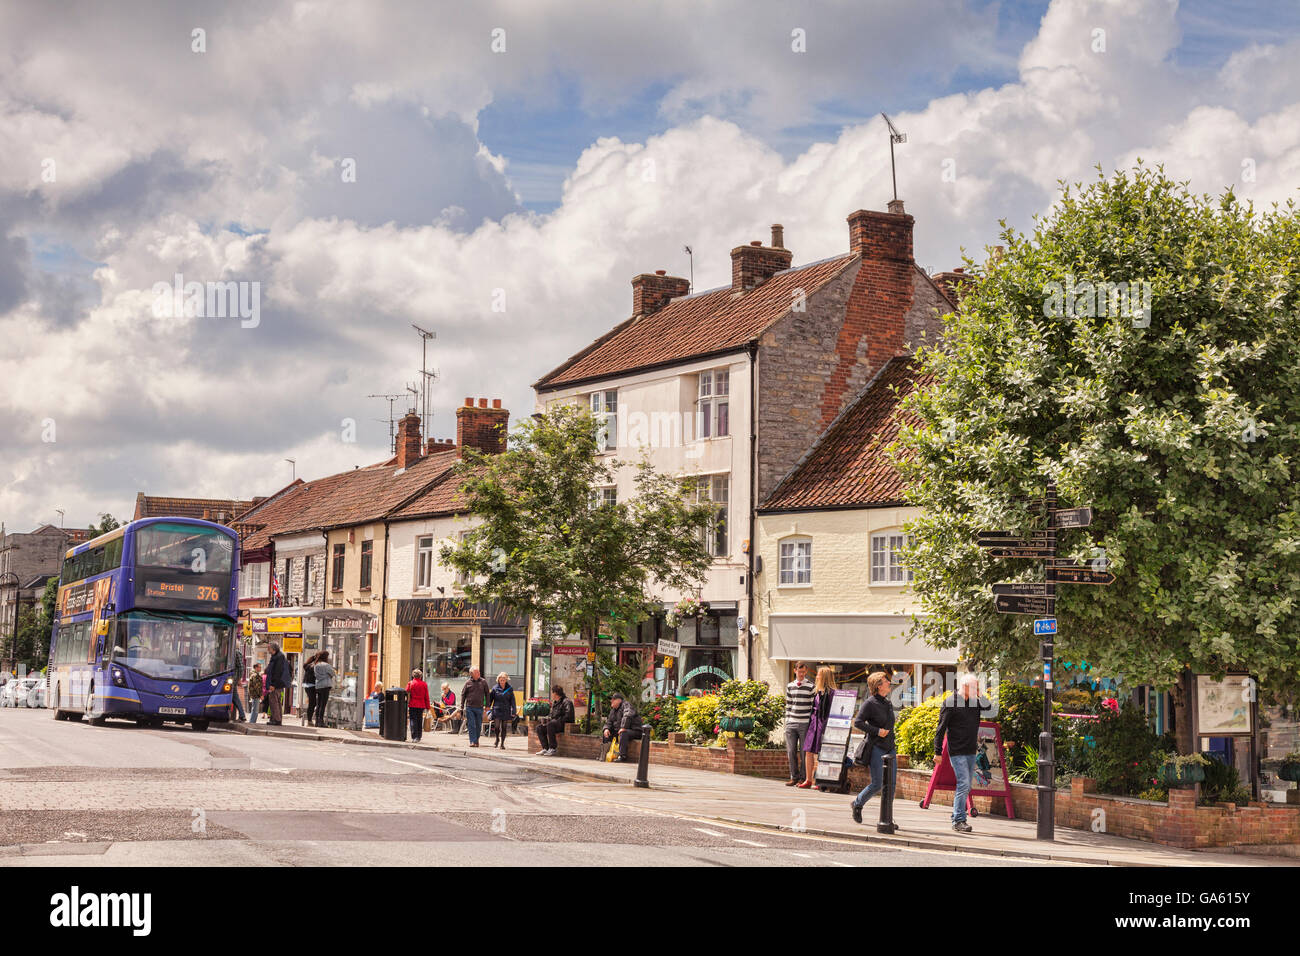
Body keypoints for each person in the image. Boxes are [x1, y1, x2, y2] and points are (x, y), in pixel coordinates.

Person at [933, 674, 993, 833]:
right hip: (957, 751)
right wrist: (937, 752)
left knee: (965, 785)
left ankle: (957, 815)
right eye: (975, 687)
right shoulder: (951, 703)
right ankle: (958, 820)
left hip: (970, 751)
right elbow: (940, 729)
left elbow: (989, 708)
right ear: (965, 687)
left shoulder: (975, 702)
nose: (977, 691)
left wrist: (980, 694)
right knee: (964, 783)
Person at [850, 671, 896, 823]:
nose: (889, 683)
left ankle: (887, 818)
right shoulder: (870, 703)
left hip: (890, 749)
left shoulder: (887, 702)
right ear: (878, 685)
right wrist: (877, 731)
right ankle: (857, 803)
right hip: (876, 747)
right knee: (877, 783)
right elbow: (858, 722)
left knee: (891, 785)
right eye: (885, 681)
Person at [799, 666, 837, 788]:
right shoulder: (817, 692)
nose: (816, 677)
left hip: (824, 723)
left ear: (824, 677)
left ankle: (820, 780)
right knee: (808, 751)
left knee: (823, 752)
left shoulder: (832, 693)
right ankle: (808, 779)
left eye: (819, 675)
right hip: (814, 722)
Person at [783, 661, 814, 786]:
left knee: (803, 752)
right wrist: (787, 721)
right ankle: (793, 777)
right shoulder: (790, 686)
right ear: (795, 671)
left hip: (804, 723)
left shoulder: (811, 686)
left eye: (803, 672)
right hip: (791, 723)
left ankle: (803, 778)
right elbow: (788, 705)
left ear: (806, 672)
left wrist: (811, 723)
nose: (801, 674)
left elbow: (813, 707)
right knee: (791, 751)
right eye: (799, 671)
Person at [602, 691, 643, 762]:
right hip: (621, 730)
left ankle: (622, 756)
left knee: (624, 733)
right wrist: (606, 729)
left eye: (613, 699)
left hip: (635, 730)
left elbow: (628, 715)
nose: (611, 701)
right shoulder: (613, 711)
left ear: (619, 700)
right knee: (607, 734)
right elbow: (609, 722)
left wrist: (623, 727)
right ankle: (605, 755)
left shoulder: (626, 705)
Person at [535, 685, 574, 756]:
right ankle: (545, 748)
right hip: (554, 724)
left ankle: (553, 748)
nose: (552, 695)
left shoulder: (567, 702)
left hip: (563, 725)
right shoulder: (555, 703)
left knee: (551, 724)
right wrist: (547, 719)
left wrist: (556, 720)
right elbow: (552, 715)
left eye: (552, 693)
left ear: (555, 693)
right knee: (539, 728)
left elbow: (568, 716)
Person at [461, 667, 490, 747]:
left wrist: (488, 705)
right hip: (470, 707)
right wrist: (462, 705)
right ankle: (472, 741)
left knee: (478, 725)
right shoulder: (468, 683)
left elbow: (487, 694)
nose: (479, 673)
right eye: (477, 672)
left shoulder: (483, 682)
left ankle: (476, 740)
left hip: (480, 707)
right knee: (471, 724)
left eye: (479, 672)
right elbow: (463, 694)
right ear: (472, 674)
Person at [487, 671, 516, 749]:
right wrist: (487, 708)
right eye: (501, 680)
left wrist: (513, 711)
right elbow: (490, 699)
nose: (502, 681)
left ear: (506, 680)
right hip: (497, 710)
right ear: (498, 680)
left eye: (504, 680)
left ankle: (502, 743)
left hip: (506, 710)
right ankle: (497, 739)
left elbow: (512, 701)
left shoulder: (509, 689)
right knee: (496, 727)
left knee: (504, 727)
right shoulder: (495, 688)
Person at [265, 644, 290, 725]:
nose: (268, 650)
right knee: (276, 701)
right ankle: (275, 719)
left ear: (273, 649)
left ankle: (277, 720)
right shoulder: (277, 656)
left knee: (274, 702)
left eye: (269, 648)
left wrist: (273, 684)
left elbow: (277, 672)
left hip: (276, 684)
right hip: (277, 684)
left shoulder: (278, 657)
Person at [313, 651, 335, 728]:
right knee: (323, 704)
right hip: (326, 686)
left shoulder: (316, 665)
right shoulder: (327, 665)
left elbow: (316, 675)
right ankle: (321, 721)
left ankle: (316, 721)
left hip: (318, 685)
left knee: (318, 704)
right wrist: (327, 675)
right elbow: (333, 673)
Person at [407, 669, 431, 742]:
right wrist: (428, 707)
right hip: (421, 705)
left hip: (413, 704)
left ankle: (414, 737)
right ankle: (419, 736)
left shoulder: (410, 683)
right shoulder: (424, 684)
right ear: (420, 676)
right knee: (419, 720)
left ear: (413, 676)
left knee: (413, 720)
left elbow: (406, 691)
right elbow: (426, 696)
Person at [301, 652, 318, 727]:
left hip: (307, 685)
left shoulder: (307, 665)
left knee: (312, 702)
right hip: (311, 685)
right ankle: (309, 720)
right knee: (312, 703)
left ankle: (310, 719)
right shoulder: (313, 666)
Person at [230, 647, 246, 722]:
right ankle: (242, 716)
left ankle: (242, 716)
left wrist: (239, 678)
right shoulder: (231, 651)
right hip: (232, 678)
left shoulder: (236, 652)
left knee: (234, 697)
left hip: (234, 679)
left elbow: (241, 667)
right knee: (234, 697)